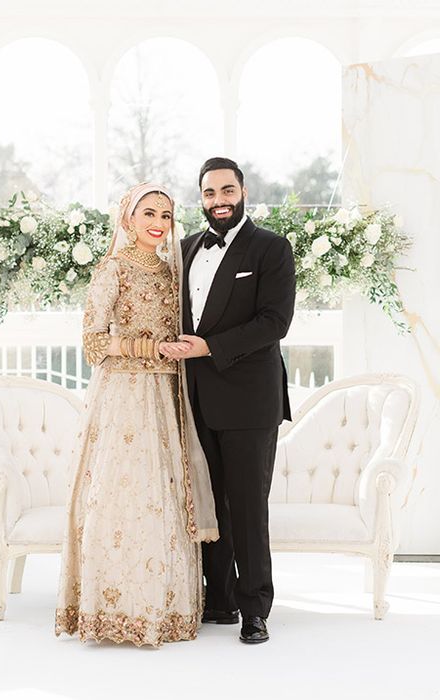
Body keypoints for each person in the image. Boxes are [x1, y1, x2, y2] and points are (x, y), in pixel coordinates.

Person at [55, 182, 218, 648]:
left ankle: (163, 607)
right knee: (119, 495)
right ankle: (111, 610)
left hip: (166, 396)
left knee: (162, 496)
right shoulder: (112, 270)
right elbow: (91, 344)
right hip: (123, 396)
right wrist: (151, 348)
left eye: (166, 216)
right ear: (127, 218)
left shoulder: (173, 273)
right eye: (148, 213)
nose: (158, 224)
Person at [162, 157, 296, 644]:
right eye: (209, 193)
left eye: (227, 191)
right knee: (207, 503)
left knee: (246, 507)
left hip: (248, 401)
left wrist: (209, 346)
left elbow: (274, 322)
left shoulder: (271, 248)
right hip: (194, 398)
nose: (219, 201)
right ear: (201, 198)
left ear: (243, 191)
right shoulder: (184, 249)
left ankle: (255, 607)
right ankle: (217, 601)